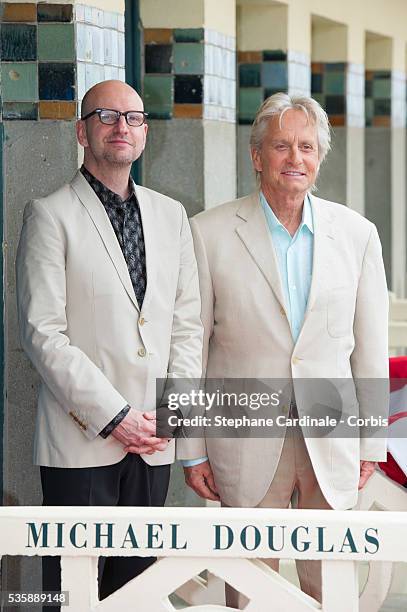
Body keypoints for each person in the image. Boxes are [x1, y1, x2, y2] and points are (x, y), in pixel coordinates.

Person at [182, 93, 389, 607]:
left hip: (331, 429)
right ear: (257, 157)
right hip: (243, 431)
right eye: (281, 146)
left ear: (319, 157)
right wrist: (191, 445)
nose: (295, 158)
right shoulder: (207, 233)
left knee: (329, 584)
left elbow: (370, 350)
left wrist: (372, 444)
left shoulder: (358, 235)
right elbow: (189, 345)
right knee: (249, 585)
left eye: (306, 146)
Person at [16, 80, 203, 604]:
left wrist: (170, 413)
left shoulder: (171, 216)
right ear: (82, 131)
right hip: (82, 440)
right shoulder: (49, 215)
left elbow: (186, 326)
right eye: (106, 116)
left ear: (145, 133)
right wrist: (116, 416)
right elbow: (43, 334)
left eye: (134, 117)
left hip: (154, 440)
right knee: (68, 590)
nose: (122, 126)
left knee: (138, 586)